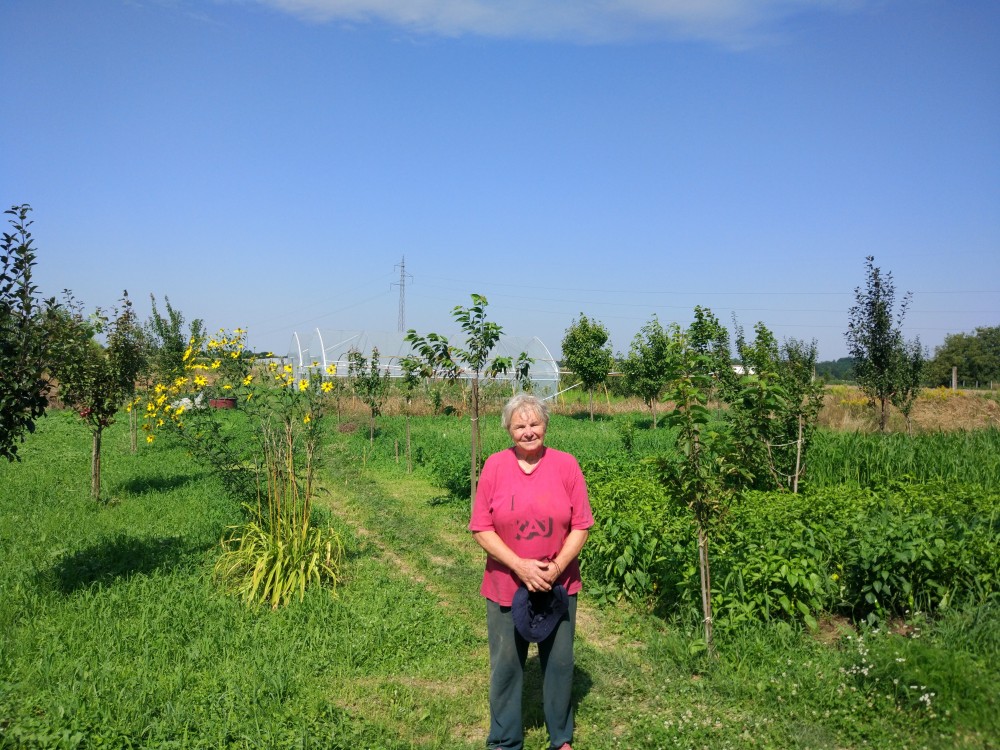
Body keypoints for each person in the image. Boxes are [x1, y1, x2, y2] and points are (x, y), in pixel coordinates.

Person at [469, 393, 594, 750]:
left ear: (545, 425)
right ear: (508, 430)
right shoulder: (495, 466)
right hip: (506, 583)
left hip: (558, 584)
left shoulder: (566, 465)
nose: (528, 431)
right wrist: (521, 566)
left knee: (560, 663)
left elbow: (581, 525)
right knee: (507, 664)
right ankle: (505, 740)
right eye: (519, 425)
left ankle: (561, 738)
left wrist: (555, 568)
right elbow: (481, 528)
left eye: (534, 423)